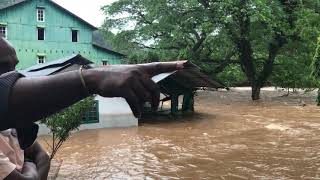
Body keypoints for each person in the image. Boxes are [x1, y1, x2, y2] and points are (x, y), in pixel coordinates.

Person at [0, 37, 186, 179]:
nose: (12, 75)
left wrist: (30, 169)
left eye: (14, 66)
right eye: (2, 67)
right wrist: (92, 78)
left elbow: (43, 156)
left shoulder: (16, 124)